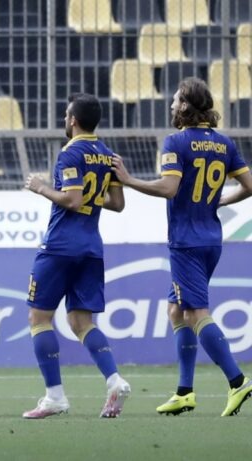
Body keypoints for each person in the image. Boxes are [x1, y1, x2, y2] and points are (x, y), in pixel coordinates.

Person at [112, 77, 252, 416]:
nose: (172, 105)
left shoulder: (175, 142)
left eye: (176, 100)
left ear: (186, 105)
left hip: (186, 242)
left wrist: (128, 180)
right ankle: (184, 392)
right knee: (176, 310)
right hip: (211, 239)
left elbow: (169, 188)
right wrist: (221, 201)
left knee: (196, 313)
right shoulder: (224, 144)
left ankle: (238, 381)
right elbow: (249, 186)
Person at [22, 93, 129, 419]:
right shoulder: (108, 155)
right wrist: (89, 197)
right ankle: (115, 379)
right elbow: (117, 204)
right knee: (81, 322)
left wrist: (40, 187)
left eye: (67, 115)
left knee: (39, 318)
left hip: (60, 246)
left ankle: (55, 396)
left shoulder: (70, 153)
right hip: (91, 247)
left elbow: (71, 200)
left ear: (73, 120)